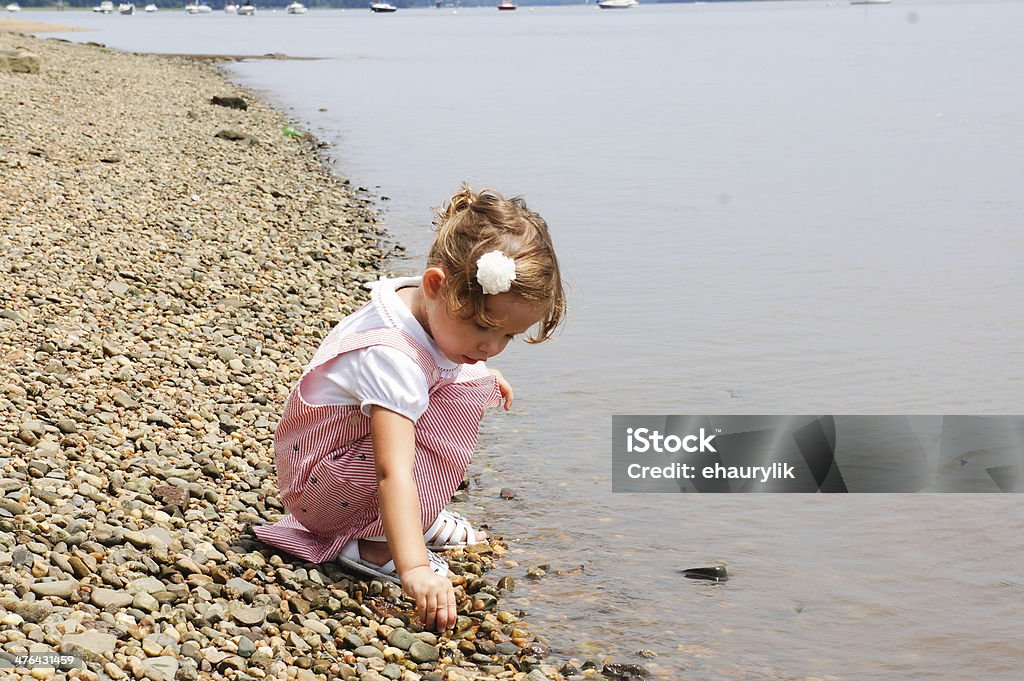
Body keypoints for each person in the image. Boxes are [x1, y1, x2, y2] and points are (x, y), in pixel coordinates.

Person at [255, 184, 565, 632]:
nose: (492, 347)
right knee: (438, 417)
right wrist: (414, 567)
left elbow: (439, 366)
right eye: (482, 327)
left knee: (469, 381)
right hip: (320, 491)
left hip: (333, 465)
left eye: (507, 337)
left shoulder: (416, 307)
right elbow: (392, 471)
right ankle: (375, 545)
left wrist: (477, 372)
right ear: (437, 284)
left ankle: (413, 515)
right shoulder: (391, 357)